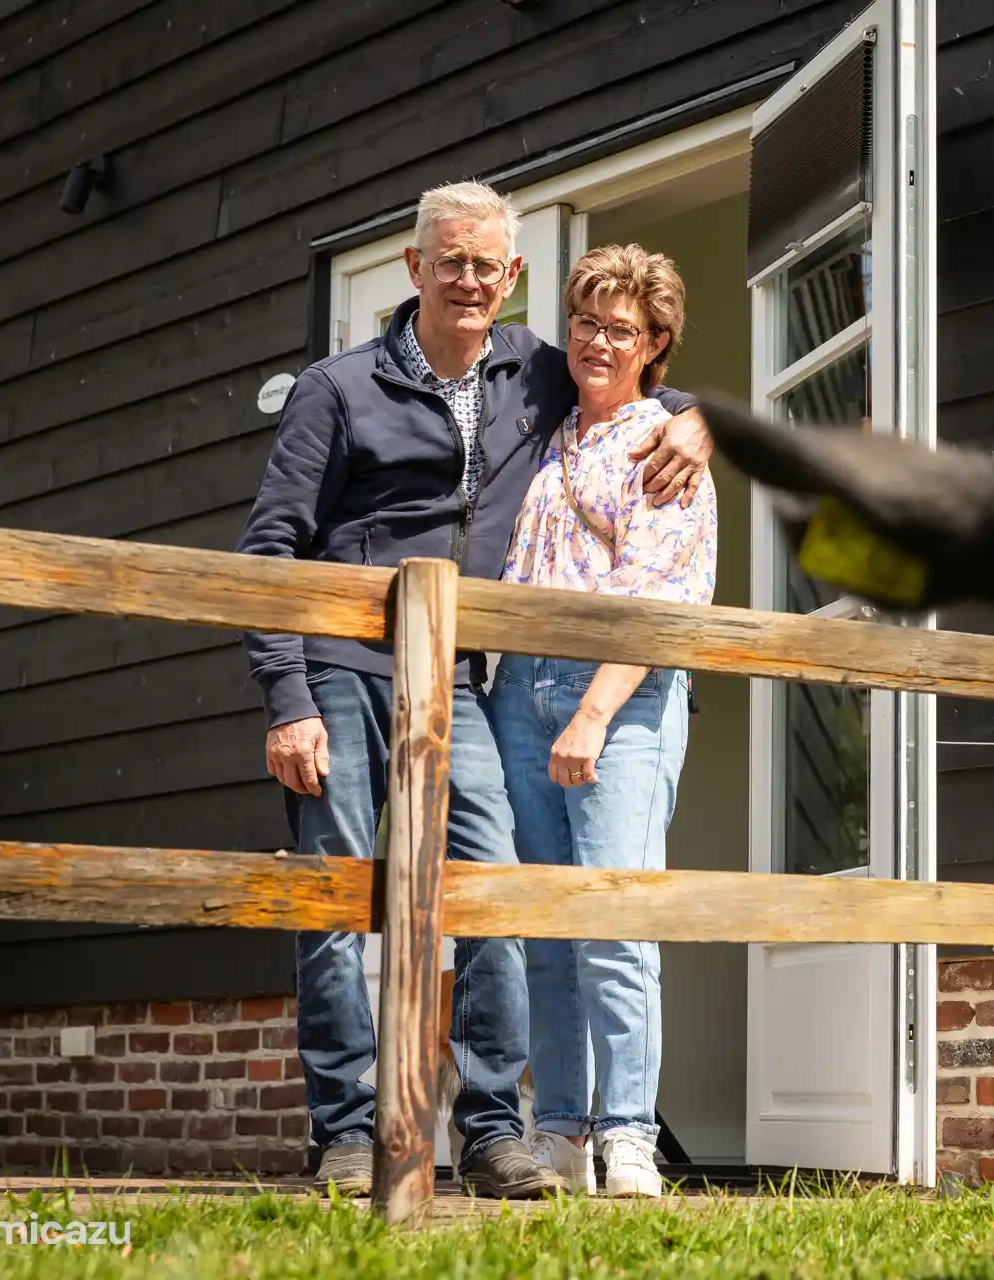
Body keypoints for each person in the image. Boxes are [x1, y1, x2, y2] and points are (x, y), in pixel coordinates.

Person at [234, 181, 712, 1200]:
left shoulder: (526, 366)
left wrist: (695, 418)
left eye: (485, 264)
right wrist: (287, 695)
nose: (466, 279)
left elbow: (628, 374)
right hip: (344, 670)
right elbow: (270, 546)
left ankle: (496, 1131)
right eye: (447, 260)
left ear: (511, 276)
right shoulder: (340, 386)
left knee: (497, 891)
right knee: (338, 899)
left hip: (460, 678)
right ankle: (349, 1133)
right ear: (414, 268)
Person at [488, 244, 716, 1198]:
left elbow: (658, 602)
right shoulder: (546, 432)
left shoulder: (663, 448)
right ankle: (561, 1133)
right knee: (546, 928)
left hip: (617, 699)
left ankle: (628, 1135)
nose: (597, 341)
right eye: (586, 321)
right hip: (518, 692)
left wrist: (589, 714)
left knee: (615, 926)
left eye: (622, 329)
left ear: (654, 345)